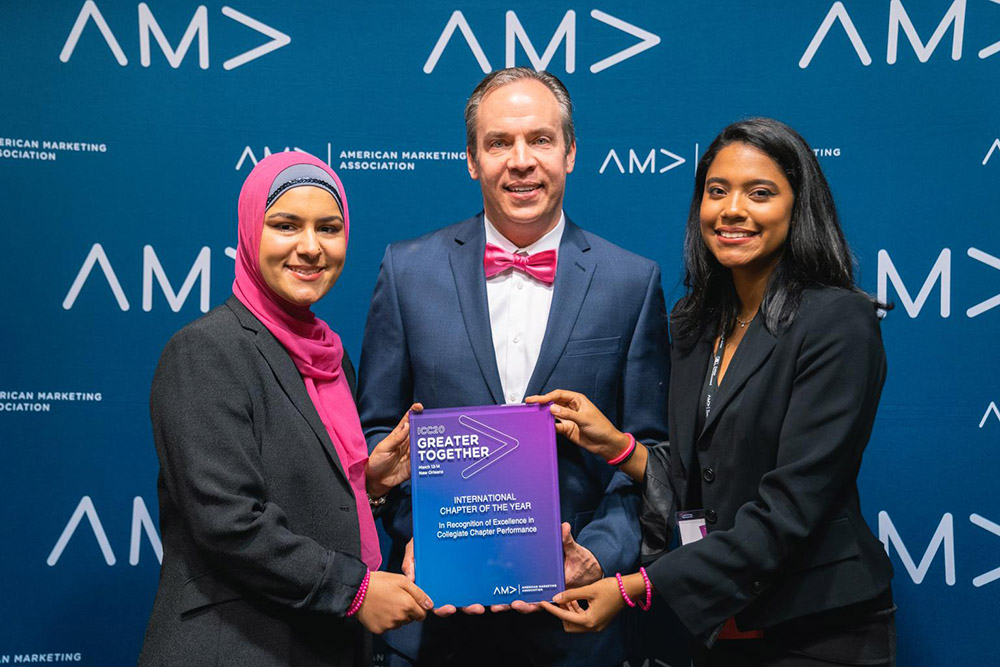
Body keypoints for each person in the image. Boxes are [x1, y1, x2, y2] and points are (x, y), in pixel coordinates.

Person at [533, 117, 896, 666]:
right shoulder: (694, 323)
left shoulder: (838, 322)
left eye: (760, 193)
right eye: (717, 191)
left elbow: (789, 511)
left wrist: (637, 588)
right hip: (712, 631)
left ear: (799, 205)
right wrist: (618, 448)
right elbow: (704, 480)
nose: (732, 210)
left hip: (818, 629)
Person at [357, 68, 671, 665]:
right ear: (472, 160)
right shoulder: (407, 271)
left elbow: (651, 452)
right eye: (499, 142)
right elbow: (377, 434)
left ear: (571, 152)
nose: (521, 161)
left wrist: (598, 555)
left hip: (573, 628)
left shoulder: (632, 282)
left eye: (541, 140)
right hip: (435, 624)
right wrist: (419, 537)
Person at [139, 152, 433, 667]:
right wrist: (358, 591)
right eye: (286, 225)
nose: (311, 247)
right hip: (238, 647)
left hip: (324, 646)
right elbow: (229, 523)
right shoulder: (206, 350)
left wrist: (370, 486)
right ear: (251, 233)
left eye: (329, 227)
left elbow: (299, 494)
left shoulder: (331, 355)